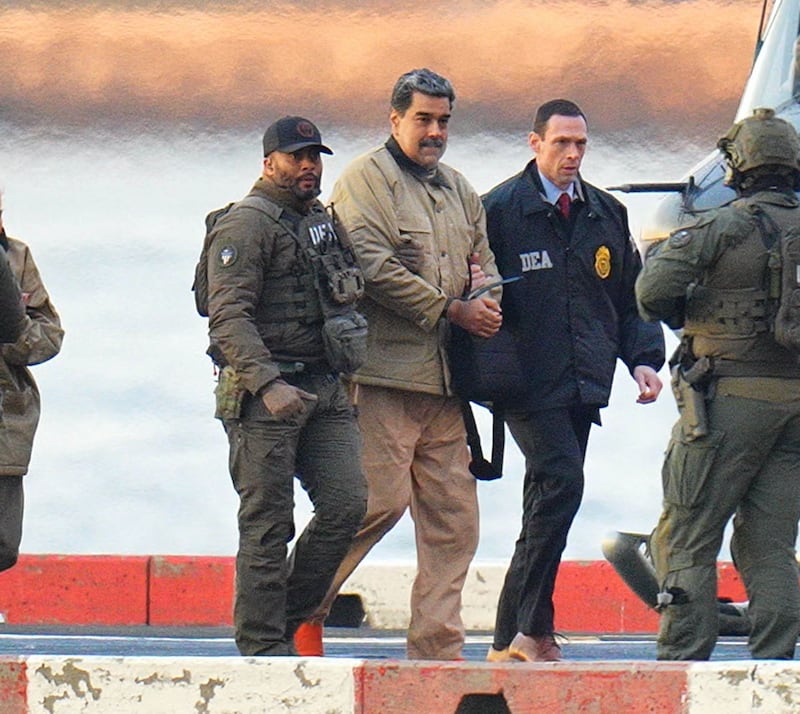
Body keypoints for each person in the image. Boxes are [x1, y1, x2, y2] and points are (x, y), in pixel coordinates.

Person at [301, 68, 503, 661]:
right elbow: (371, 264)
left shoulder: (460, 189)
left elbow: (485, 262)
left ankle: (437, 650)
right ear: (395, 119)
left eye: (443, 121)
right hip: (382, 378)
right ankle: (296, 611)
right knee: (372, 506)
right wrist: (452, 308)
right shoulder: (368, 179)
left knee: (454, 521)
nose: (435, 131)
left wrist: (488, 298)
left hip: (447, 386)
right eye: (423, 119)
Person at [482, 98, 666, 662]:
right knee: (562, 483)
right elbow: (475, 292)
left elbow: (630, 297)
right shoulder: (499, 210)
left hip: (582, 382)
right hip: (524, 382)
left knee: (546, 501)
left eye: (580, 144)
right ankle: (534, 629)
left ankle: (506, 638)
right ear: (534, 143)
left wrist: (642, 360)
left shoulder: (605, 212)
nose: (572, 154)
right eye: (561, 142)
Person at [636, 107, 800, 660]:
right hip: (795, 410)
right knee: (770, 547)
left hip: (726, 404)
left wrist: (697, 316)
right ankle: (776, 672)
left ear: (738, 168)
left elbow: (651, 291)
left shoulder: (722, 226)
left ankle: (683, 663)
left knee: (686, 535)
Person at [205, 116, 368, 656]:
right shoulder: (246, 225)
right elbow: (227, 318)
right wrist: (268, 384)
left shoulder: (319, 219)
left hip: (325, 388)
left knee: (347, 504)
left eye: (314, 157)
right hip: (265, 399)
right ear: (268, 161)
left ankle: (282, 621)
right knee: (268, 525)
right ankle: (261, 648)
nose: (307, 167)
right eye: (296, 157)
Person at [0, 190, 63, 571]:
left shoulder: (16, 257)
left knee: (4, 545)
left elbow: (50, 335)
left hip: (8, 418)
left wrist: (13, 334)